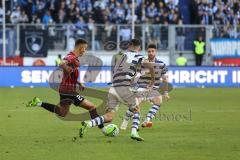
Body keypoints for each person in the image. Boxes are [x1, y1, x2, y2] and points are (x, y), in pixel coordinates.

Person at [79, 39, 155, 141]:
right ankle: (134, 133)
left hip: (113, 88)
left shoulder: (121, 56)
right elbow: (149, 65)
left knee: (109, 116)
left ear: (129, 46)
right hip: (123, 88)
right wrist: (152, 81)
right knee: (136, 109)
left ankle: (88, 123)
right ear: (139, 48)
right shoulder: (138, 56)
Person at [26, 39, 104, 132]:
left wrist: (78, 82)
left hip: (65, 89)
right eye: (85, 48)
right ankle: (103, 129)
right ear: (81, 47)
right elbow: (61, 63)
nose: (85, 51)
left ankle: (39, 103)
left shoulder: (73, 57)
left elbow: (69, 73)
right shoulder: (71, 57)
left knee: (63, 113)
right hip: (69, 90)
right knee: (92, 107)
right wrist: (66, 68)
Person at [120, 44, 170, 130]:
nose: (151, 53)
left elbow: (165, 79)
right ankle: (126, 120)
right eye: (149, 51)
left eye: (152, 51)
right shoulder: (142, 63)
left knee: (158, 102)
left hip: (153, 88)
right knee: (135, 107)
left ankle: (147, 120)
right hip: (141, 87)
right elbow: (135, 74)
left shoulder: (161, 64)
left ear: (156, 52)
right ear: (147, 52)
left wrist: (165, 92)